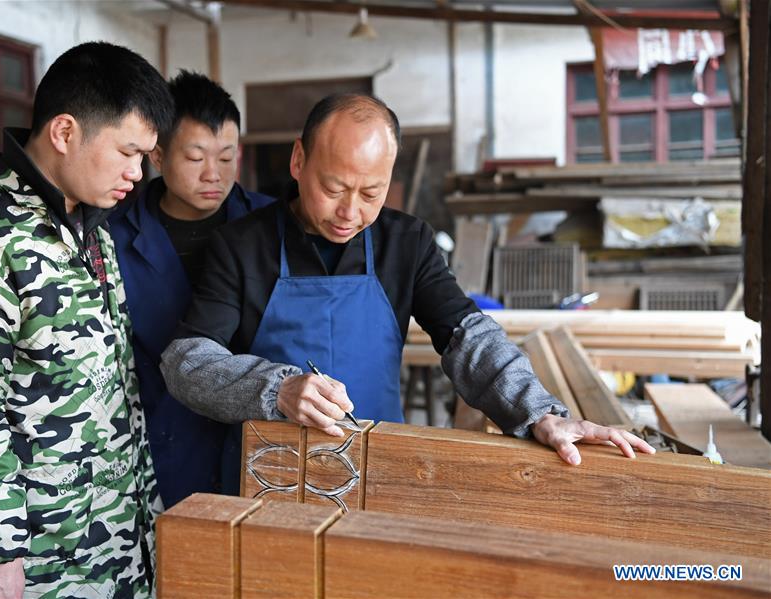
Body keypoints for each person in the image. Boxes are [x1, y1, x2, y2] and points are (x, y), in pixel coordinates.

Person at [160, 93, 655, 466]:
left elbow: (467, 336)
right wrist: (278, 389)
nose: (349, 212)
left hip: (380, 466)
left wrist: (540, 413)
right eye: (333, 188)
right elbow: (186, 361)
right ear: (298, 162)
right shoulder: (240, 245)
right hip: (266, 474)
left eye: (370, 193)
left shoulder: (408, 242)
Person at [0, 42, 173, 599]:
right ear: (65, 133)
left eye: (144, 156)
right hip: (37, 567)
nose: (137, 174)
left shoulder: (85, 224)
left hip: (112, 544)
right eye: (127, 152)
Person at [110, 71, 274, 507]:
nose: (213, 175)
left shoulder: (272, 225)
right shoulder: (113, 236)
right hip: (157, 446)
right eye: (196, 157)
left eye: (226, 157)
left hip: (259, 441)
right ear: (158, 156)